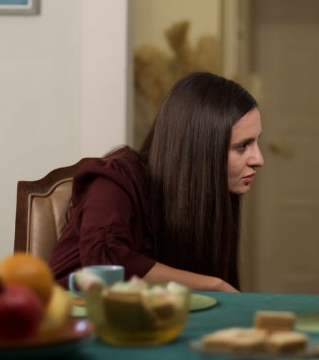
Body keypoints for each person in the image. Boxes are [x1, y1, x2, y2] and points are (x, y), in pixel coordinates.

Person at [49, 72, 264, 292]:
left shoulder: (209, 198)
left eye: (257, 142)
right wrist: (214, 284)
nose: (259, 159)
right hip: (70, 311)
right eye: (242, 146)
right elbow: (104, 259)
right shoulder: (114, 180)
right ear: (199, 149)